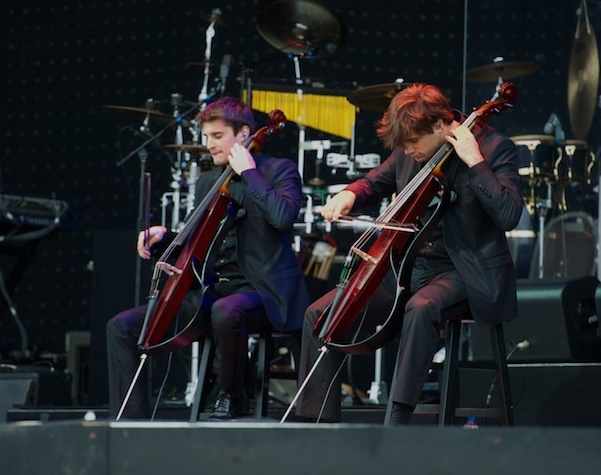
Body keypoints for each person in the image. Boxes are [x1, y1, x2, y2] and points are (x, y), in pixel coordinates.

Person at [293, 83, 523, 425]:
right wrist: (350, 195)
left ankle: (397, 421)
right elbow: (374, 182)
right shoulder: (408, 149)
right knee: (320, 315)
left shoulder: (492, 147)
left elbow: (509, 214)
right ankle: (317, 427)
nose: (407, 150)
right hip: (407, 268)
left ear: (440, 125)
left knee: (422, 307)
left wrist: (474, 161)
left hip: (465, 270)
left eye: (413, 142)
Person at [107, 96, 309, 420]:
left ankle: (232, 396)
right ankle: (129, 424)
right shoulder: (207, 183)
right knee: (121, 327)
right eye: (206, 137)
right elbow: (197, 243)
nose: (209, 145)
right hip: (209, 293)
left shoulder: (278, 170)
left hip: (263, 293)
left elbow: (283, 217)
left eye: (217, 136)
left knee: (225, 311)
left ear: (243, 135)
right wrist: (164, 239)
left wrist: (250, 174)